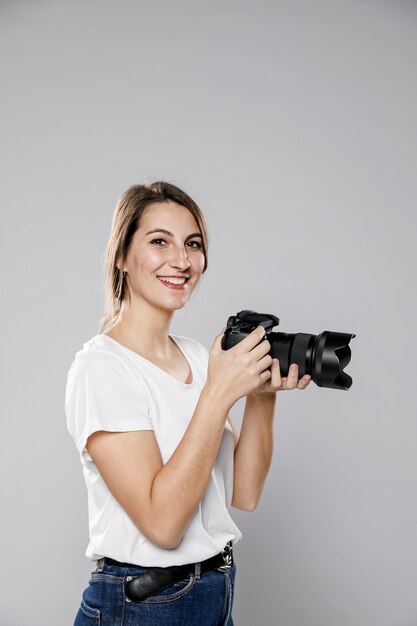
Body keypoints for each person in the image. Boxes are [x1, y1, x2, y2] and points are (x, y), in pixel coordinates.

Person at [65, 180, 311, 626]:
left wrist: (260, 396)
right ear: (121, 256)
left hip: (215, 591)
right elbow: (163, 523)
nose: (181, 260)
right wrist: (219, 393)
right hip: (144, 603)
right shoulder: (101, 369)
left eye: (192, 244)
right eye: (160, 241)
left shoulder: (199, 356)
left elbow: (246, 493)